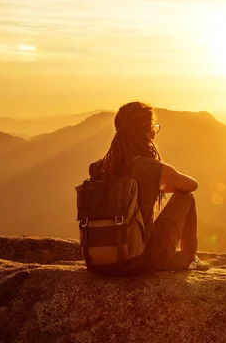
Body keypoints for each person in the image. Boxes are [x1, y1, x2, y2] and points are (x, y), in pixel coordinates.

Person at [86, 101, 210, 275]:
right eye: (153, 126)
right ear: (147, 131)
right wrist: (157, 184)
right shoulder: (153, 169)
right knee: (186, 197)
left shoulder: (99, 167)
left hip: (98, 260)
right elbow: (191, 185)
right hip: (140, 260)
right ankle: (190, 258)